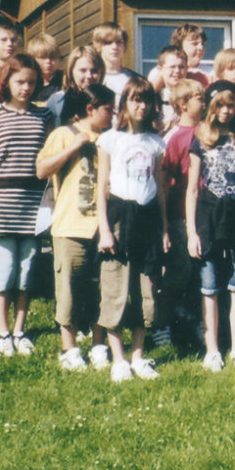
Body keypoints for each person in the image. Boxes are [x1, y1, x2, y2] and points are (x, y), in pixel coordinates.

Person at [0, 55, 53, 356]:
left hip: (33, 204)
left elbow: (46, 161)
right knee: (4, 269)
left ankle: (20, 330)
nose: (26, 88)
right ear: (6, 81)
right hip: (1, 203)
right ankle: (2, 330)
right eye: (20, 81)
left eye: (31, 82)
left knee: (27, 268)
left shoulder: (43, 117)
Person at [37, 84, 116, 370]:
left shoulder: (110, 139)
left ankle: (98, 344)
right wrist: (74, 147)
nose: (113, 114)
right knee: (69, 289)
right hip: (70, 224)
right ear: (90, 109)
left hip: (103, 226)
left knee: (103, 289)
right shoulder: (63, 134)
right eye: (108, 109)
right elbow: (42, 170)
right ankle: (68, 348)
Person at [186, 81, 235, 371]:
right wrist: (192, 232)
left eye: (231, 105)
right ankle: (213, 350)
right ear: (210, 106)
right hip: (209, 217)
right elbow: (192, 189)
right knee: (209, 285)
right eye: (220, 105)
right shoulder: (201, 138)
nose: (226, 110)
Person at [96, 77, 169, 382]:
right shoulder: (110, 140)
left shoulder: (156, 142)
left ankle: (138, 356)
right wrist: (105, 230)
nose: (141, 106)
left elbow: (161, 189)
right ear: (124, 104)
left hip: (148, 217)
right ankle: (119, 359)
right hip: (118, 216)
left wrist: (164, 229)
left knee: (144, 291)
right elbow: (101, 188)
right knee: (116, 289)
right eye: (135, 100)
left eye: (146, 100)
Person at [155, 78, 205, 347]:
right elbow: (164, 182)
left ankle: (199, 320)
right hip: (179, 214)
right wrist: (165, 222)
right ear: (183, 104)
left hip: (204, 214)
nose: (203, 100)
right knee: (179, 270)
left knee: (201, 272)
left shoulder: (208, 131)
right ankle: (162, 324)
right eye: (198, 96)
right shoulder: (174, 138)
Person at [46, 45, 105, 125]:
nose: (89, 76)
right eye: (83, 70)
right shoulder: (57, 101)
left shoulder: (108, 101)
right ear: (71, 71)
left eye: (94, 71)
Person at [149, 23, 210, 89]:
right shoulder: (160, 70)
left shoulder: (210, 72)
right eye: (194, 43)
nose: (201, 48)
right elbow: (149, 93)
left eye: (203, 44)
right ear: (179, 45)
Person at [92, 23, 140, 105]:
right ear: (98, 46)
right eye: (108, 42)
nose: (114, 47)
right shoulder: (93, 78)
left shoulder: (135, 79)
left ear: (124, 46)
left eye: (119, 42)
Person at [155, 45, 189, 133]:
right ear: (160, 69)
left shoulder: (192, 98)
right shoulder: (154, 99)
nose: (177, 71)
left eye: (181, 67)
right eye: (172, 67)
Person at [26, 33, 63, 107]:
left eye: (52, 57)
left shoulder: (64, 79)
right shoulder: (27, 82)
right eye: (43, 57)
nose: (48, 61)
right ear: (32, 59)